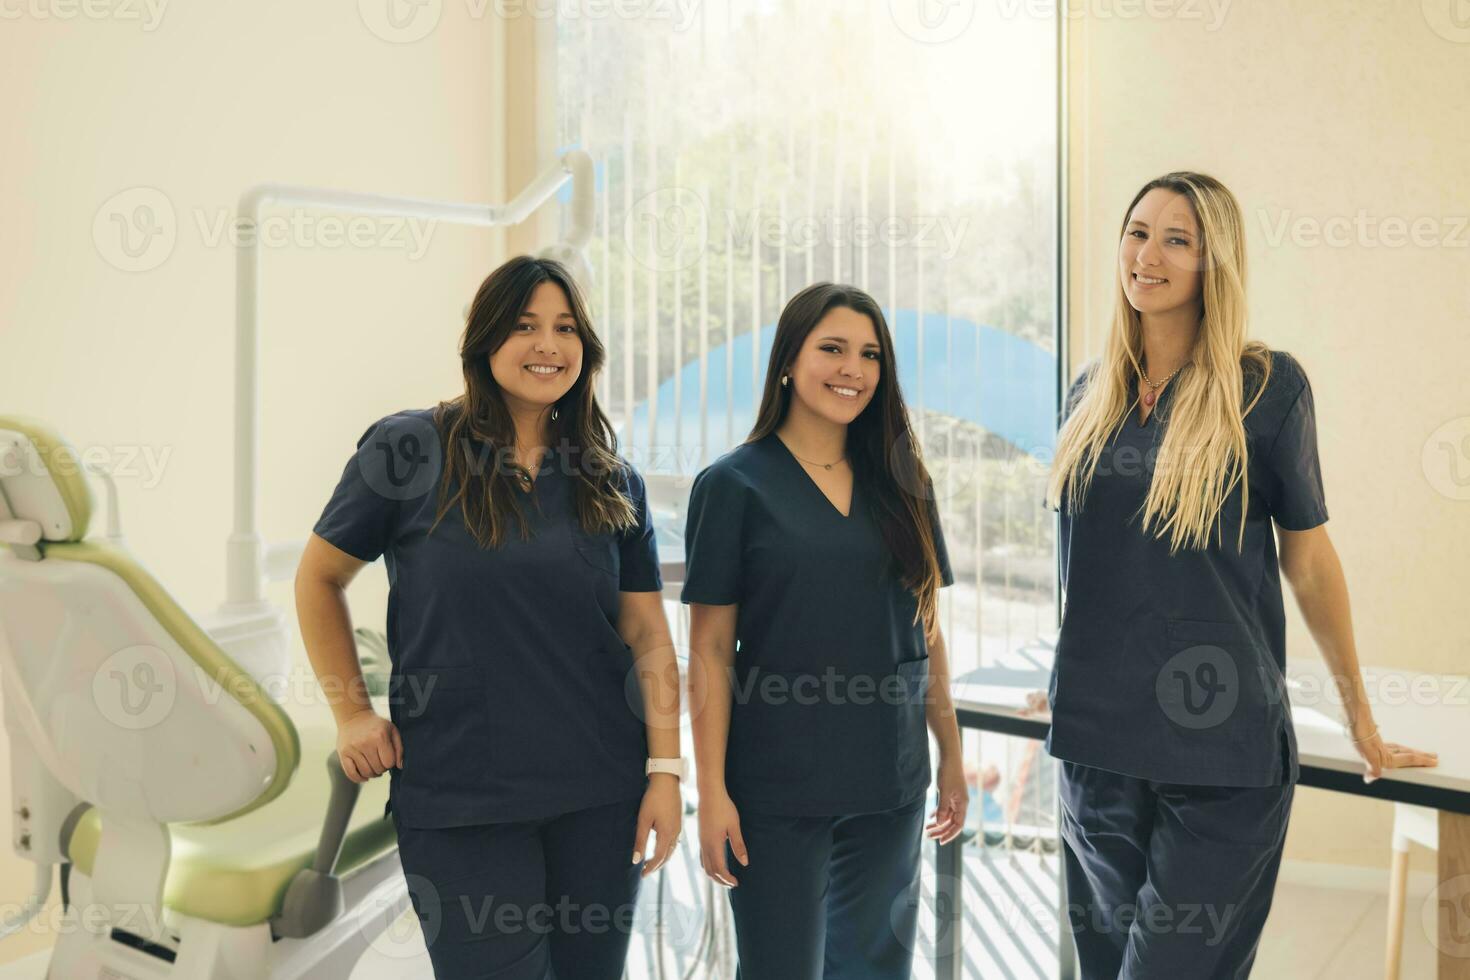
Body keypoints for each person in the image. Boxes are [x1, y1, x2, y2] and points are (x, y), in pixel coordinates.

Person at [1042, 171, 1438, 978]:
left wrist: (1356, 711)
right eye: (1137, 230)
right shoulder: (1089, 396)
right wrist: (1061, 670)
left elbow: (1310, 562)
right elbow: (1083, 560)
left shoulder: (1266, 388)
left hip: (1220, 751)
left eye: (1176, 239)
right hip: (1095, 747)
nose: (1147, 254)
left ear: (1212, 263)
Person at [295, 256, 684, 979]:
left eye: (565, 328)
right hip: (461, 797)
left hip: (600, 794)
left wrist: (666, 771)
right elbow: (320, 577)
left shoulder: (609, 477)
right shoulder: (409, 449)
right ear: (485, 340)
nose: (548, 345)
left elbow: (646, 635)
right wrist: (351, 714)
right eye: (526, 325)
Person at [683, 282, 968, 979]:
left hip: (890, 781)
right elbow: (711, 652)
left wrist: (951, 753)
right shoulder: (732, 487)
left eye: (869, 354)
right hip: (778, 788)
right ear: (788, 360)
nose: (853, 369)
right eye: (832, 349)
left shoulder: (904, 482)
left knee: (877, 968)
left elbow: (927, 626)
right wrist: (711, 791)